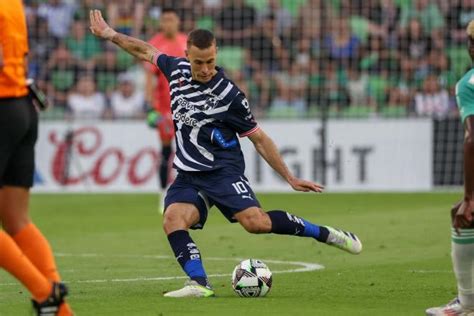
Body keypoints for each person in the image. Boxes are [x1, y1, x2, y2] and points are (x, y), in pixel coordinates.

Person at [90, 9, 363, 298]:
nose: (205, 69)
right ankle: (200, 284)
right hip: (190, 175)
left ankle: (327, 234)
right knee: (172, 219)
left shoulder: (229, 95)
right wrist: (110, 34)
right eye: (198, 62)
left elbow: (259, 138)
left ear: (216, 54)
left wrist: (290, 177)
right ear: (187, 55)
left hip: (223, 171)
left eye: (210, 61)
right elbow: (145, 50)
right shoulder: (177, 70)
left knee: (256, 224)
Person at [0, 1, 73, 315]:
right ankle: (60, 308)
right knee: (17, 220)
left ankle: (45, 293)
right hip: (20, 107)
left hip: (2, 106)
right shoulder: (12, 4)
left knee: (16, 220)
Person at [425, 20, 474, 316]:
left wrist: (470, 196)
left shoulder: (468, 84)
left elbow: (472, 140)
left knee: (463, 215)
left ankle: (467, 303)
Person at [144, 7, 187, 210]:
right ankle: (163, 194)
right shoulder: (155, 44)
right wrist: (150, 106)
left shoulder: (186, 41)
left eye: (171, 19)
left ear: (178, 21)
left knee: (187, 148)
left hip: (186, 105)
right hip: (163, 108)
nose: (168, 23)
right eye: (165, 19)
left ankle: (187, 193)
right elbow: (149, 78)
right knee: (165, 150)